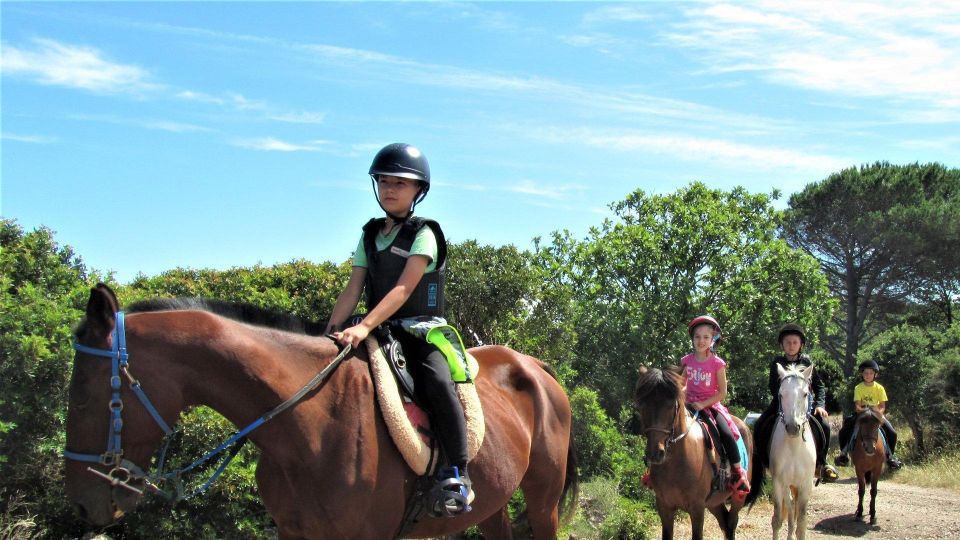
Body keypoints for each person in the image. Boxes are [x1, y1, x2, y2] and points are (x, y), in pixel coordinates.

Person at [324, 142, 473, 515]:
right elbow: (353, 287)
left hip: (420, 328)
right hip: (377, 327)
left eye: (400, 183)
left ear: (418, 191)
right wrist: (332, 329)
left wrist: (364, 326)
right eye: (384, 182)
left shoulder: (425, 233)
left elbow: (403, 289)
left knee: (437, 380)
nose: (389, 190)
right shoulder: (369, 234)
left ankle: (458, 473)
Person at [752, 324, 838, 481]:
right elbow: (773, 386)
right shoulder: (776, 363)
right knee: (759, 424)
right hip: (782, 402)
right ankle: (762, 461)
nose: (791, 346)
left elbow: (819, 386)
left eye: (794, 342)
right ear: (782, 345)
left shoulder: (807, 362)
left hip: (805, 403)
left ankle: (822, 463)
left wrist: (820, 405)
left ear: (801, 345)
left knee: (824, 425)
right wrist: (786, 397)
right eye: (787, 342)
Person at [681, 315, 750, 498]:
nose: (701, 341)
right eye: (697, 337)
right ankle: (654, 470)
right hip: (687, 405)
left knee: (726, 433)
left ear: (713, 340)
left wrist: (703, 403)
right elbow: (682, 384)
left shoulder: (717, 363)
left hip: (710, 406)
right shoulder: (685, 361)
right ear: (692, 339)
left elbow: (722, 393)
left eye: (706, 337)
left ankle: (738, 472)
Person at [834, 360, 903, 469]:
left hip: (876, 414)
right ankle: (844, 454)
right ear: (862, 374)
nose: (868, 375)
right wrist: (865, 411)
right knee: (845, 430)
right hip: (862, 414)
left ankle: (890, 456)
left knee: (892, 432)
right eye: (865, 373)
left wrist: (877, 414)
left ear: (875, 374)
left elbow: (882, 406)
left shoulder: (880, 388)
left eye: (871, 373)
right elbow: (857, 406)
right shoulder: (858, 388)